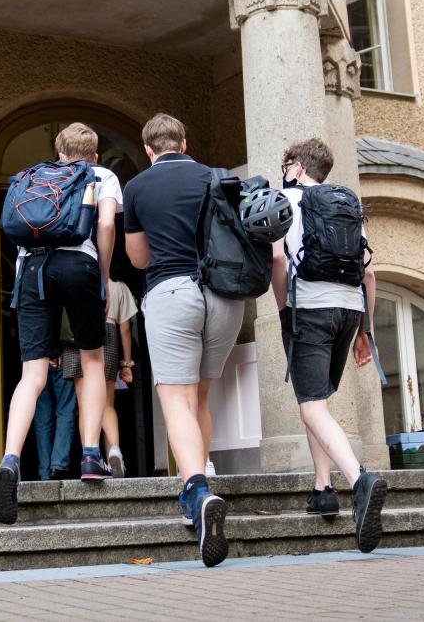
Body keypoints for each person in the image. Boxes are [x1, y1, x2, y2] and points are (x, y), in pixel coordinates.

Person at [123, 113, 243, 568]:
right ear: (185, 142)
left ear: (148, 148)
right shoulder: (217, 177)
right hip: (225, 294)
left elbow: (137, 257)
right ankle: (204, 471)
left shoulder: (136, 188)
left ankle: (197, 489)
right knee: (200, 397)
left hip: (172, 291)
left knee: (175, 400)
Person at [0, 123, 121, 523]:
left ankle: (10, 460)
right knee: (93, 360)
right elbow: (105, 225)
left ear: (59, 152)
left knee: (32, 375)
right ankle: (89, 455)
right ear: (94, 154)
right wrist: (102, 276)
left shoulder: (34, 176)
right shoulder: (103, 175)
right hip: (78, 264)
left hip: (31, 268)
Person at [271, 138, 388, 553]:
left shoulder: (283, 198)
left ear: (298, 166)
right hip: (350, 310)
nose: (284, 169)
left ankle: (360, 480)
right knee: (319, 399)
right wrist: (364, 332)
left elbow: (278, 261)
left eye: (287, 163)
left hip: (311, 309)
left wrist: (285, 308)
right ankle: (323, 487)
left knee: (311, 405)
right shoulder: (348, 205)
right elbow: (370, 273)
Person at [62, 277, 138, 477]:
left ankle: (89, 456)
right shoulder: (119, 288)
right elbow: (126, 328)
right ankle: (114, 449)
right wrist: (127, 362)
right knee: (107, 404)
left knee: (84, 405)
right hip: (107, 334)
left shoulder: (71, 279)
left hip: (74, 334)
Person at [32, 355, 77, 481]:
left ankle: (45, 471)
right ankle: (58, 464)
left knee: (42, 415)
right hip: (63, 356)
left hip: (37, 357)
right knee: (65, 409)